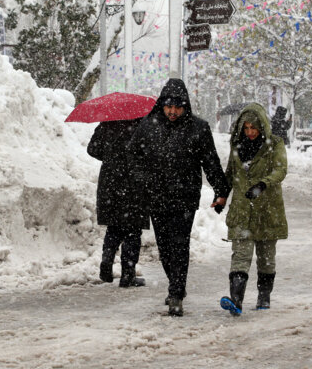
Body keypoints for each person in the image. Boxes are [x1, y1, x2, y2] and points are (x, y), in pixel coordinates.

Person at [127, 78, 230, 317]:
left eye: (178, 107)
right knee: (165, 248)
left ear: (186, 106)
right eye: (168, 106)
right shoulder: (148, 125)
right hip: (157, 195)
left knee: (180, 245)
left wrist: (221, 191)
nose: (173, 111)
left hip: (185, 197)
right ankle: (175, 284)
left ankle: (175, 292)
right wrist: (142, 178)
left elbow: (210, 162)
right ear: (162, 105)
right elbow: (133, 156)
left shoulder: (198, 128)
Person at [218, 103, 288, 316]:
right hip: (242, 209)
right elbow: (230, 173)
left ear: (262, 127)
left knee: (266, 258)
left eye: (254, 128)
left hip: (267, 209)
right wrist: (221, 197)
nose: (249, 132)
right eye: (246, 127)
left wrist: (263, 184)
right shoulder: (237, 145)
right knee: (240, 255)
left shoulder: (274, 144)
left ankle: (264, 295)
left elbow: (281, 170)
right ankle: (236, 300)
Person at [87, 118, 148, 287]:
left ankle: (106, 262)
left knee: (114, 226)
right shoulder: (143, 126)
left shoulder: (107, 123)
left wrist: (110, 156)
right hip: (134, 183)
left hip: (110, 181)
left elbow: (92, 149)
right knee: (132, 229)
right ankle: (128, 274)